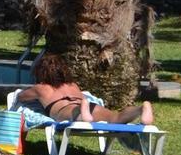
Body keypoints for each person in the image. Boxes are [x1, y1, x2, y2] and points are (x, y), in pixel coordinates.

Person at [20, 53, 153, 128]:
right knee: (115, 117)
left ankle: (82, 112)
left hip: (65, 109)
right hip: (85, 103)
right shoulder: (73, 85)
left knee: (74, 114)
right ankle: (141, 108)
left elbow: (20, 96)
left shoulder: (41, 88)